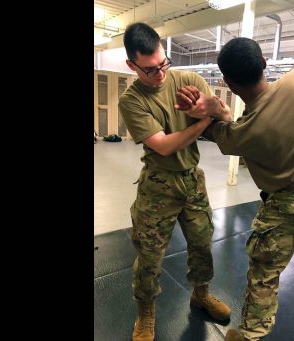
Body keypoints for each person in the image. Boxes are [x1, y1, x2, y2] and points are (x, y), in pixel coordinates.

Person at [176, 37, 294, 341]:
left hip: (288, 205)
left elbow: (221, 131)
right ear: (264, 62)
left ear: (228, 83)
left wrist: (211, 110)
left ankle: (250, 334)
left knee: (263, 273)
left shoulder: (244, 132)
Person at [118, 22, 232, 341]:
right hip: (158, 185)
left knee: (202, 244)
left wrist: (207, 108)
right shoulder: (132, 100)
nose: (161, 73)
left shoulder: (188, 80)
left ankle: (200, 294)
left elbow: (225, 115)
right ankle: (145, 313)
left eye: (164, 63)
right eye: (151, 69)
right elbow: (165, 145)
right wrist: (203, 120)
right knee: (150, 256)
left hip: (192, 181)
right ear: (132, 65)